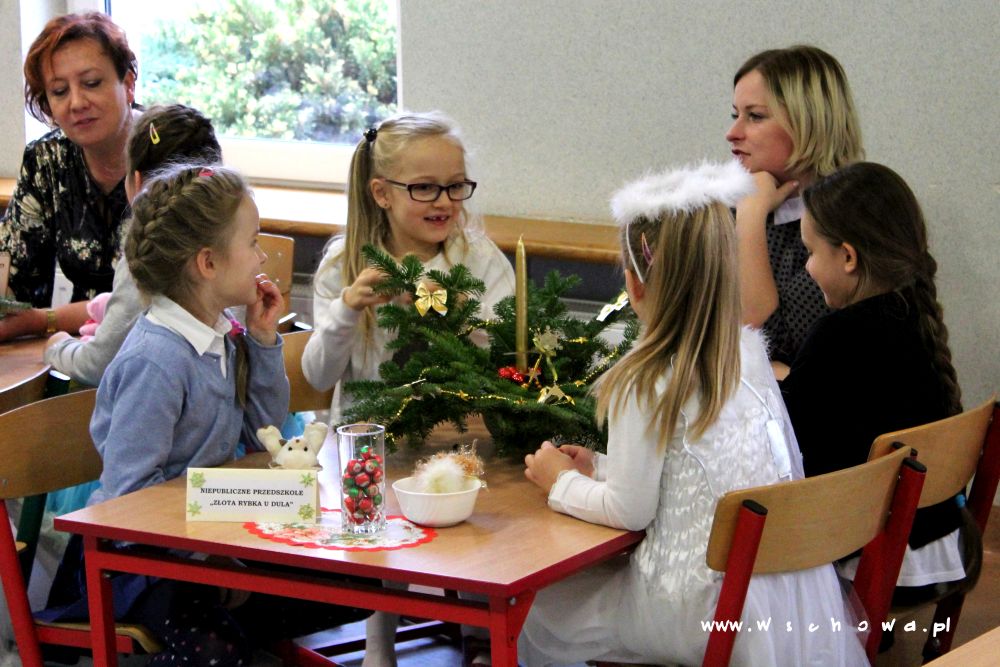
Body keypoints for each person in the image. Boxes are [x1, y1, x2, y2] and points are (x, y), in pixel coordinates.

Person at [518, 161, 866, 666]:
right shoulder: (750, 355)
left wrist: (560, 482)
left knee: (539, 606)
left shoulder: (646, 378)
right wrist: (604, 466)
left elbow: (630, 511)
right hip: (781, 597)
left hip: (698, 612)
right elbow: (700, 471)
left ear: (634, 285)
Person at [38, 164, 363, 665]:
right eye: (252, 243)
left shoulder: (222, 331)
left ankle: (235, 621)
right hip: (134, 562)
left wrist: (263, 340)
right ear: (207, 263)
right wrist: (209, 554)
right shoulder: (156, 361)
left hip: (204, 535)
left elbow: (264, 431)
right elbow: (130, 499)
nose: (262, 257)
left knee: (349, 583)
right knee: (216, 649)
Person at [301, 111, 515, 666]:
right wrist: (348, 309)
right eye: (424, 188)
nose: (444, 201)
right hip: (370, 444)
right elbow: (319, 375)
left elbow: (500, 360)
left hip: (462, 438)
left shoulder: (479, 260)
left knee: (483, 522)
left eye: (456, 186)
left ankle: (479, 633)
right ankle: (380, 642)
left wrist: (450, 308)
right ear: (382, 193)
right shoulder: (345, 264)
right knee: (381, 525)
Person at [781, 161, 973, 602]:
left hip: (875, 560)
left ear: (848, 257)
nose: (808, 267)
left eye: (811, 252)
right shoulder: (916, 318)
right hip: (935, 548)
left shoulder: (837, 336)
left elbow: (787, 449)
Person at [43, 103, 222, 387]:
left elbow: (98, 366)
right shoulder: (233, 248)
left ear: (136, 182)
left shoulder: (146, 258)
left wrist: (57, 346)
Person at [0, 12, 139, 342]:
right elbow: (14, 283)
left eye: (91, 83)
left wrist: (41, 320)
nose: (76, 103)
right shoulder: (45, 160)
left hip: (164, 354)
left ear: (128, 84)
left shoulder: (174, 151)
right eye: (60, 91)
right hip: (76, 348)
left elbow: (156, 302)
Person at [726, 45, 864, 368]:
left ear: (808, 123)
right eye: (735, 115)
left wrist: (751, 216)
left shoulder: (847, 223)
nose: (732, 133)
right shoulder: (724, 208)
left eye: (755, 116)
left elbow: (765, 342)